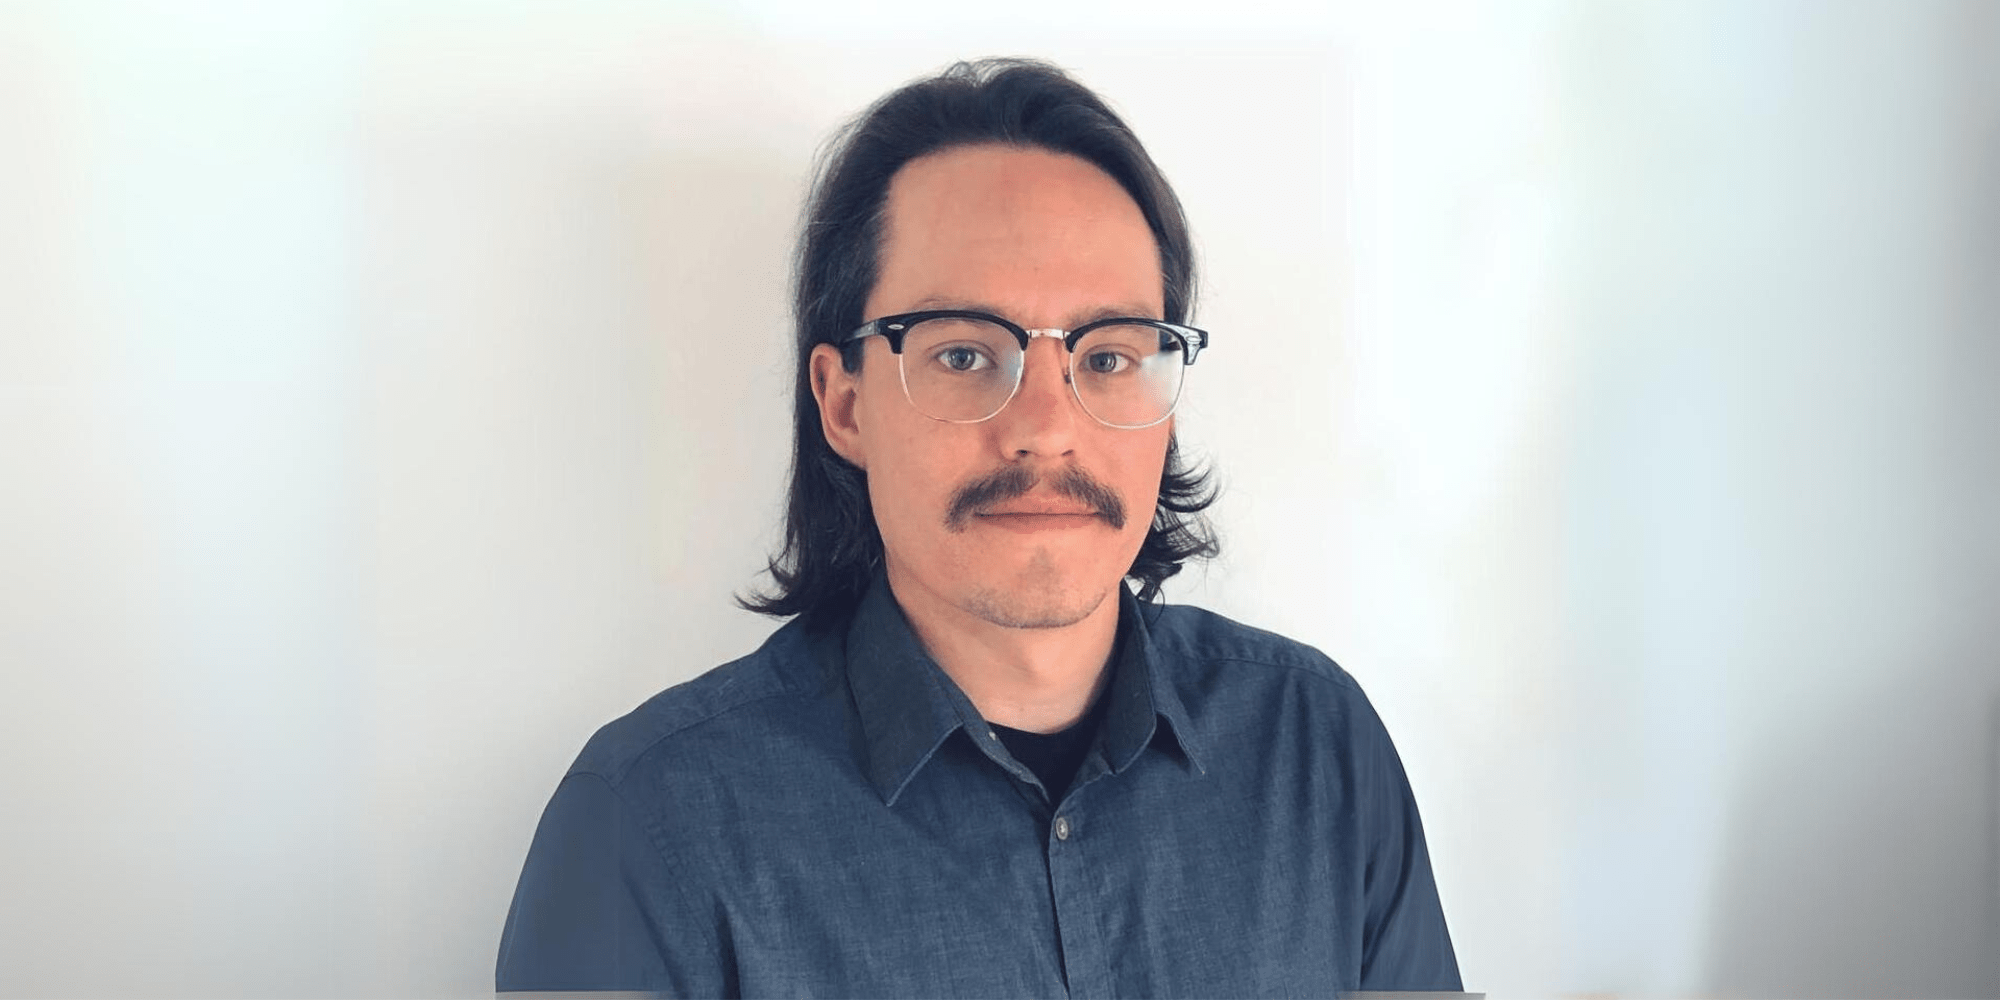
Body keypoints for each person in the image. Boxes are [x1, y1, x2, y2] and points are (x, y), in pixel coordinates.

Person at [496, 57, 1463, 997]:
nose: (1045, 428)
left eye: (1112, 356)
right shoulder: (645, 826)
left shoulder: (1318, 748)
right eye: (965, 353)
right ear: (844, 405)